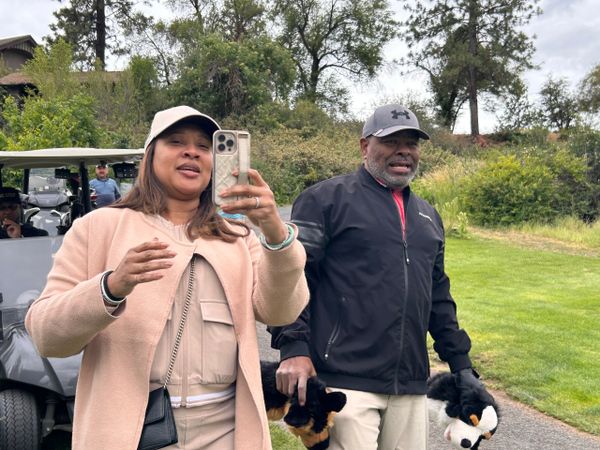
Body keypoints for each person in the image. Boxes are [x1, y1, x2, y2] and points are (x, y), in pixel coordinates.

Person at [25, 105, 309, 450]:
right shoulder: (98, 228)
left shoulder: (237, 237)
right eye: (176, 142)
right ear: (149, 156)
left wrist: (276, 233)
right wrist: (110, 288)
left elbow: (281, 311)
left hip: (227, 433)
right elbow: (47, 337)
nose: (192, 152)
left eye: (204, 146)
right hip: (131, 433)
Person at [269, 104, 490, 450]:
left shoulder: (428, 217)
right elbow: (292, 279)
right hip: (345, 381)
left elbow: (437, 296)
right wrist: (293, 348)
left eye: (411, 143)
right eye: (390, 141)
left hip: (410, 386)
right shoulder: (325, 200)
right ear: (364, 146)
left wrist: (461, 366)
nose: (403, 151)